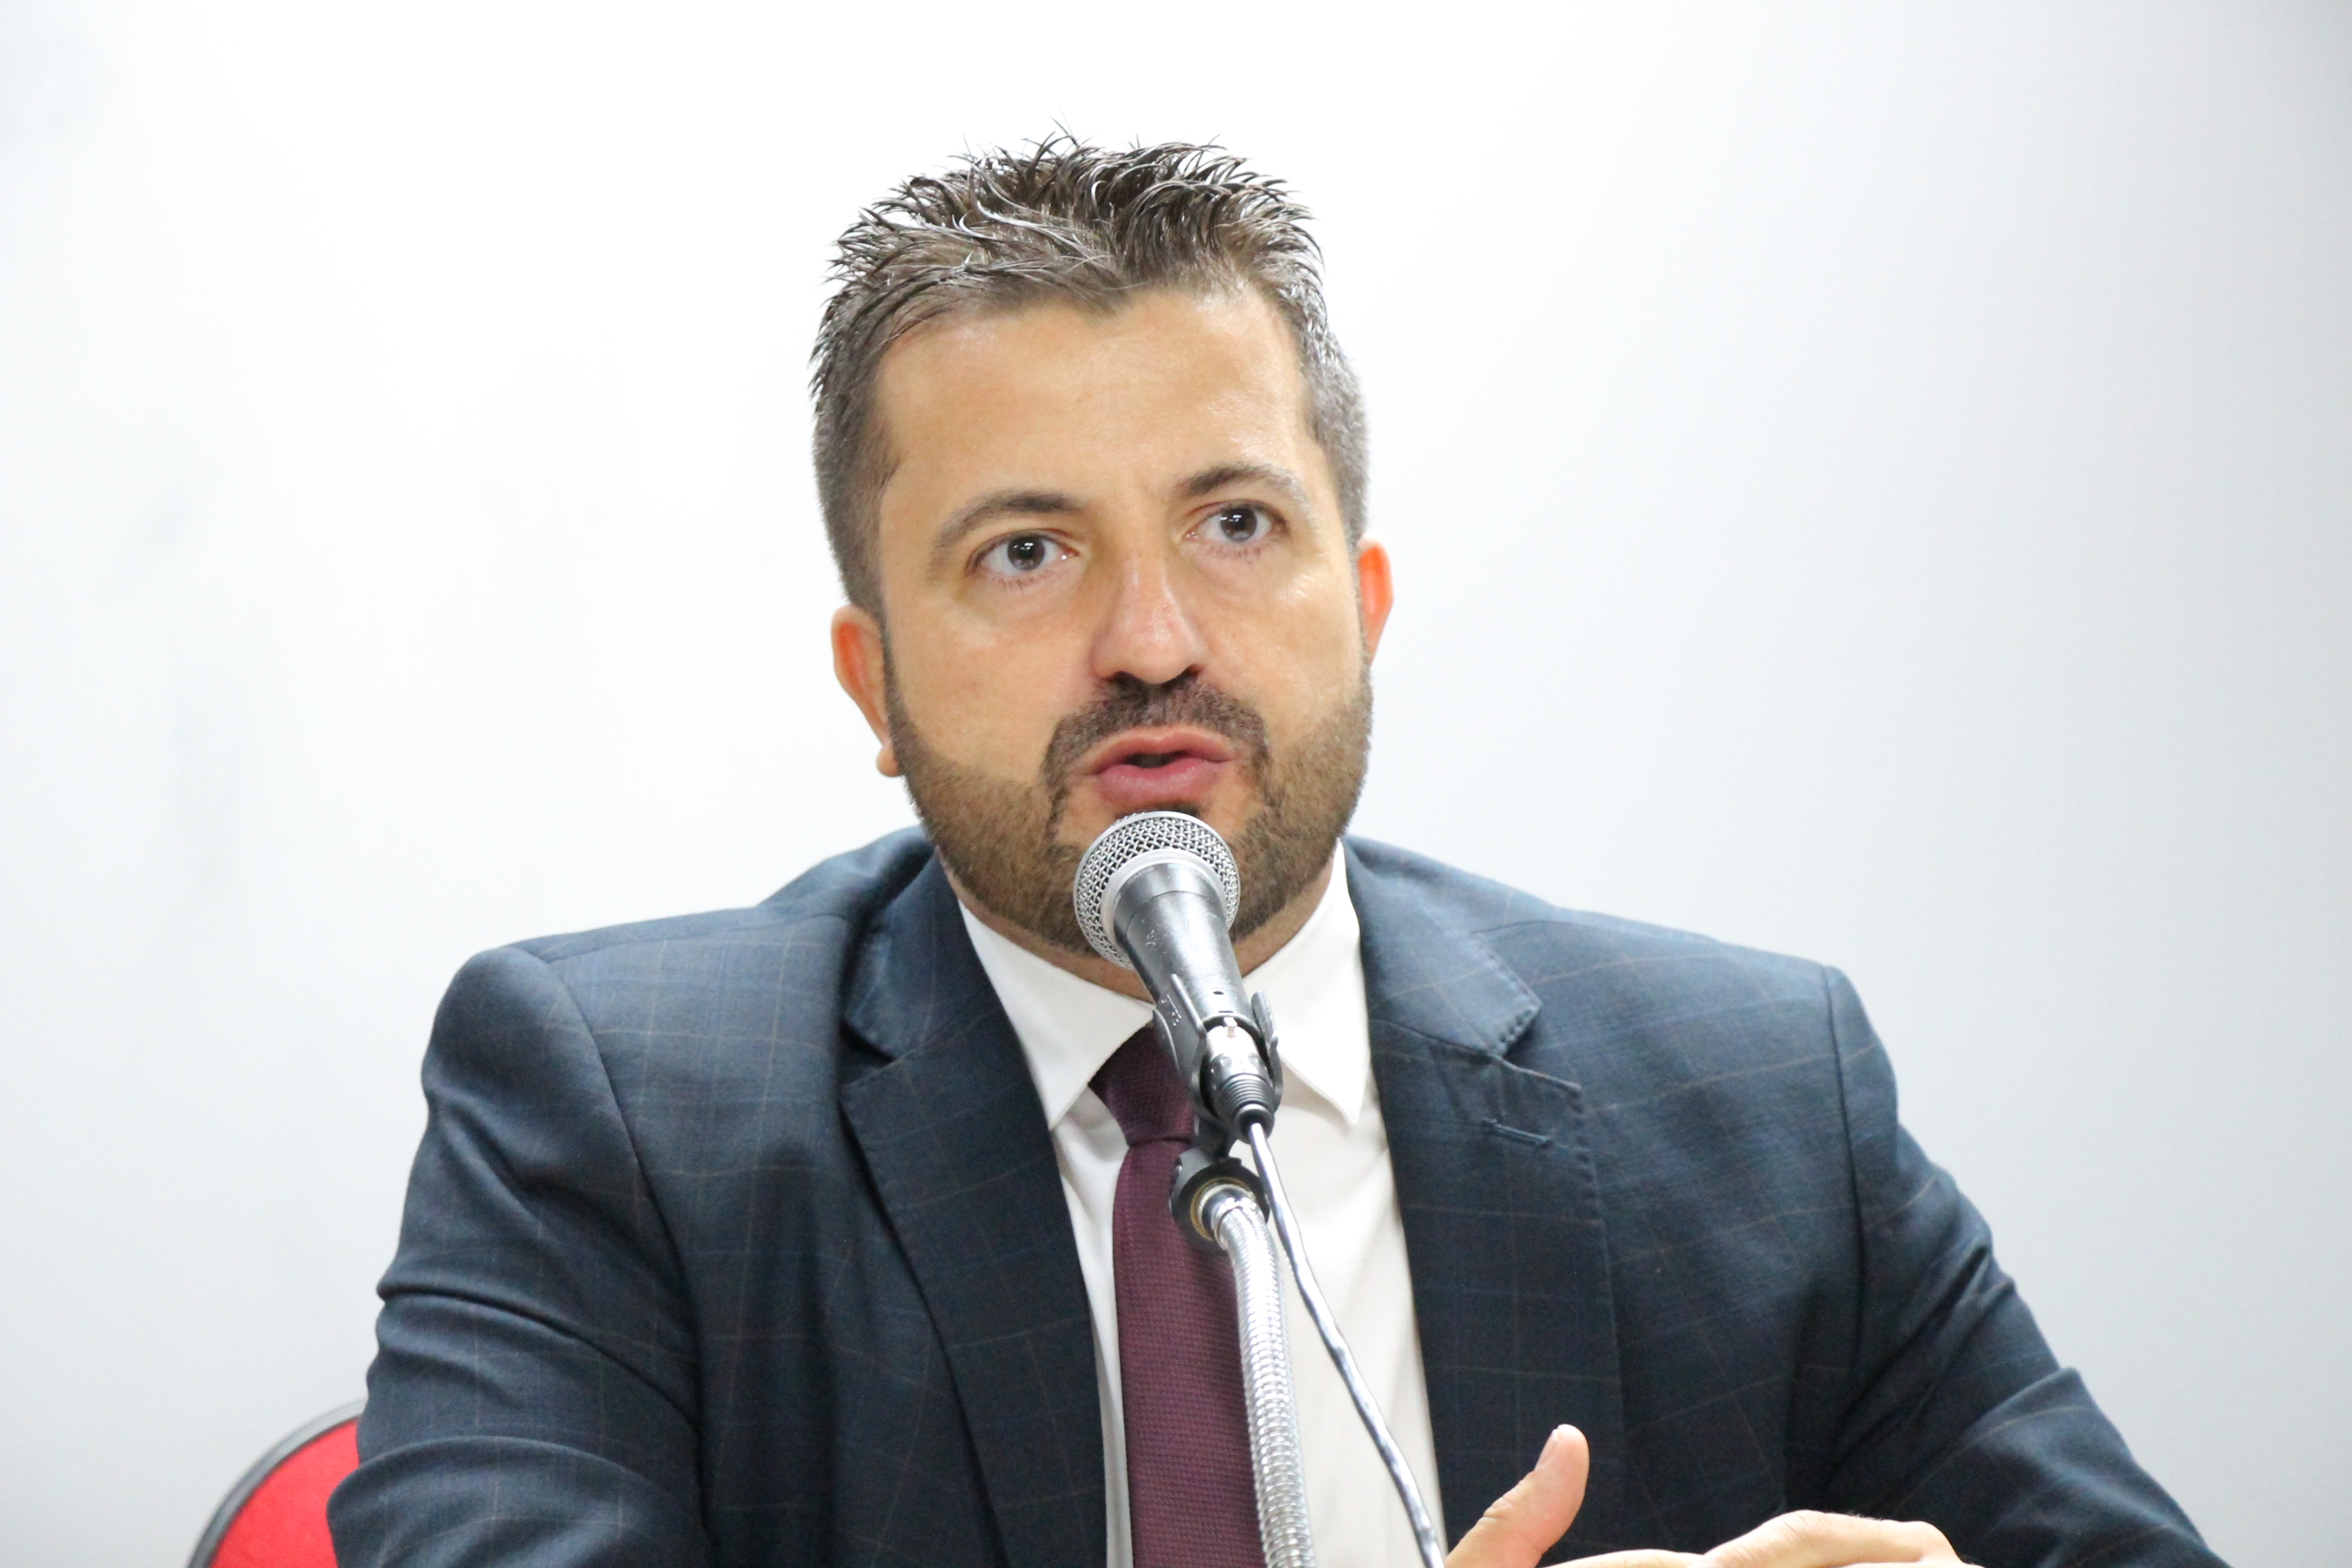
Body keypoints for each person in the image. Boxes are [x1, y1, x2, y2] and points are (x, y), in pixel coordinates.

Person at [328, 138, 2223, 1568]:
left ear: (1365, 605)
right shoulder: (615, 1113)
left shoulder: (1760, 1100)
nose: (1152, 638)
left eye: (1235, 523)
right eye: (1025, 552)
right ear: (874, 682)